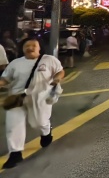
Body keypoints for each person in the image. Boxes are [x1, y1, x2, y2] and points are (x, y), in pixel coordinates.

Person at [0, 37, 65, 169]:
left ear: (39, 47)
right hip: (17, 98)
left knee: (39, 122)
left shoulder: (49, 60)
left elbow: (60, 71)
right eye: (26, 46)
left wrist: (57, 78)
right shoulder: (15, 63)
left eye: (33, 45)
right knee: (13, 125)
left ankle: (46, 131)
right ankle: (15, 153)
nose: (30, 48)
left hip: (40, 97)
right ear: (22, 48)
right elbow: (6, 78)